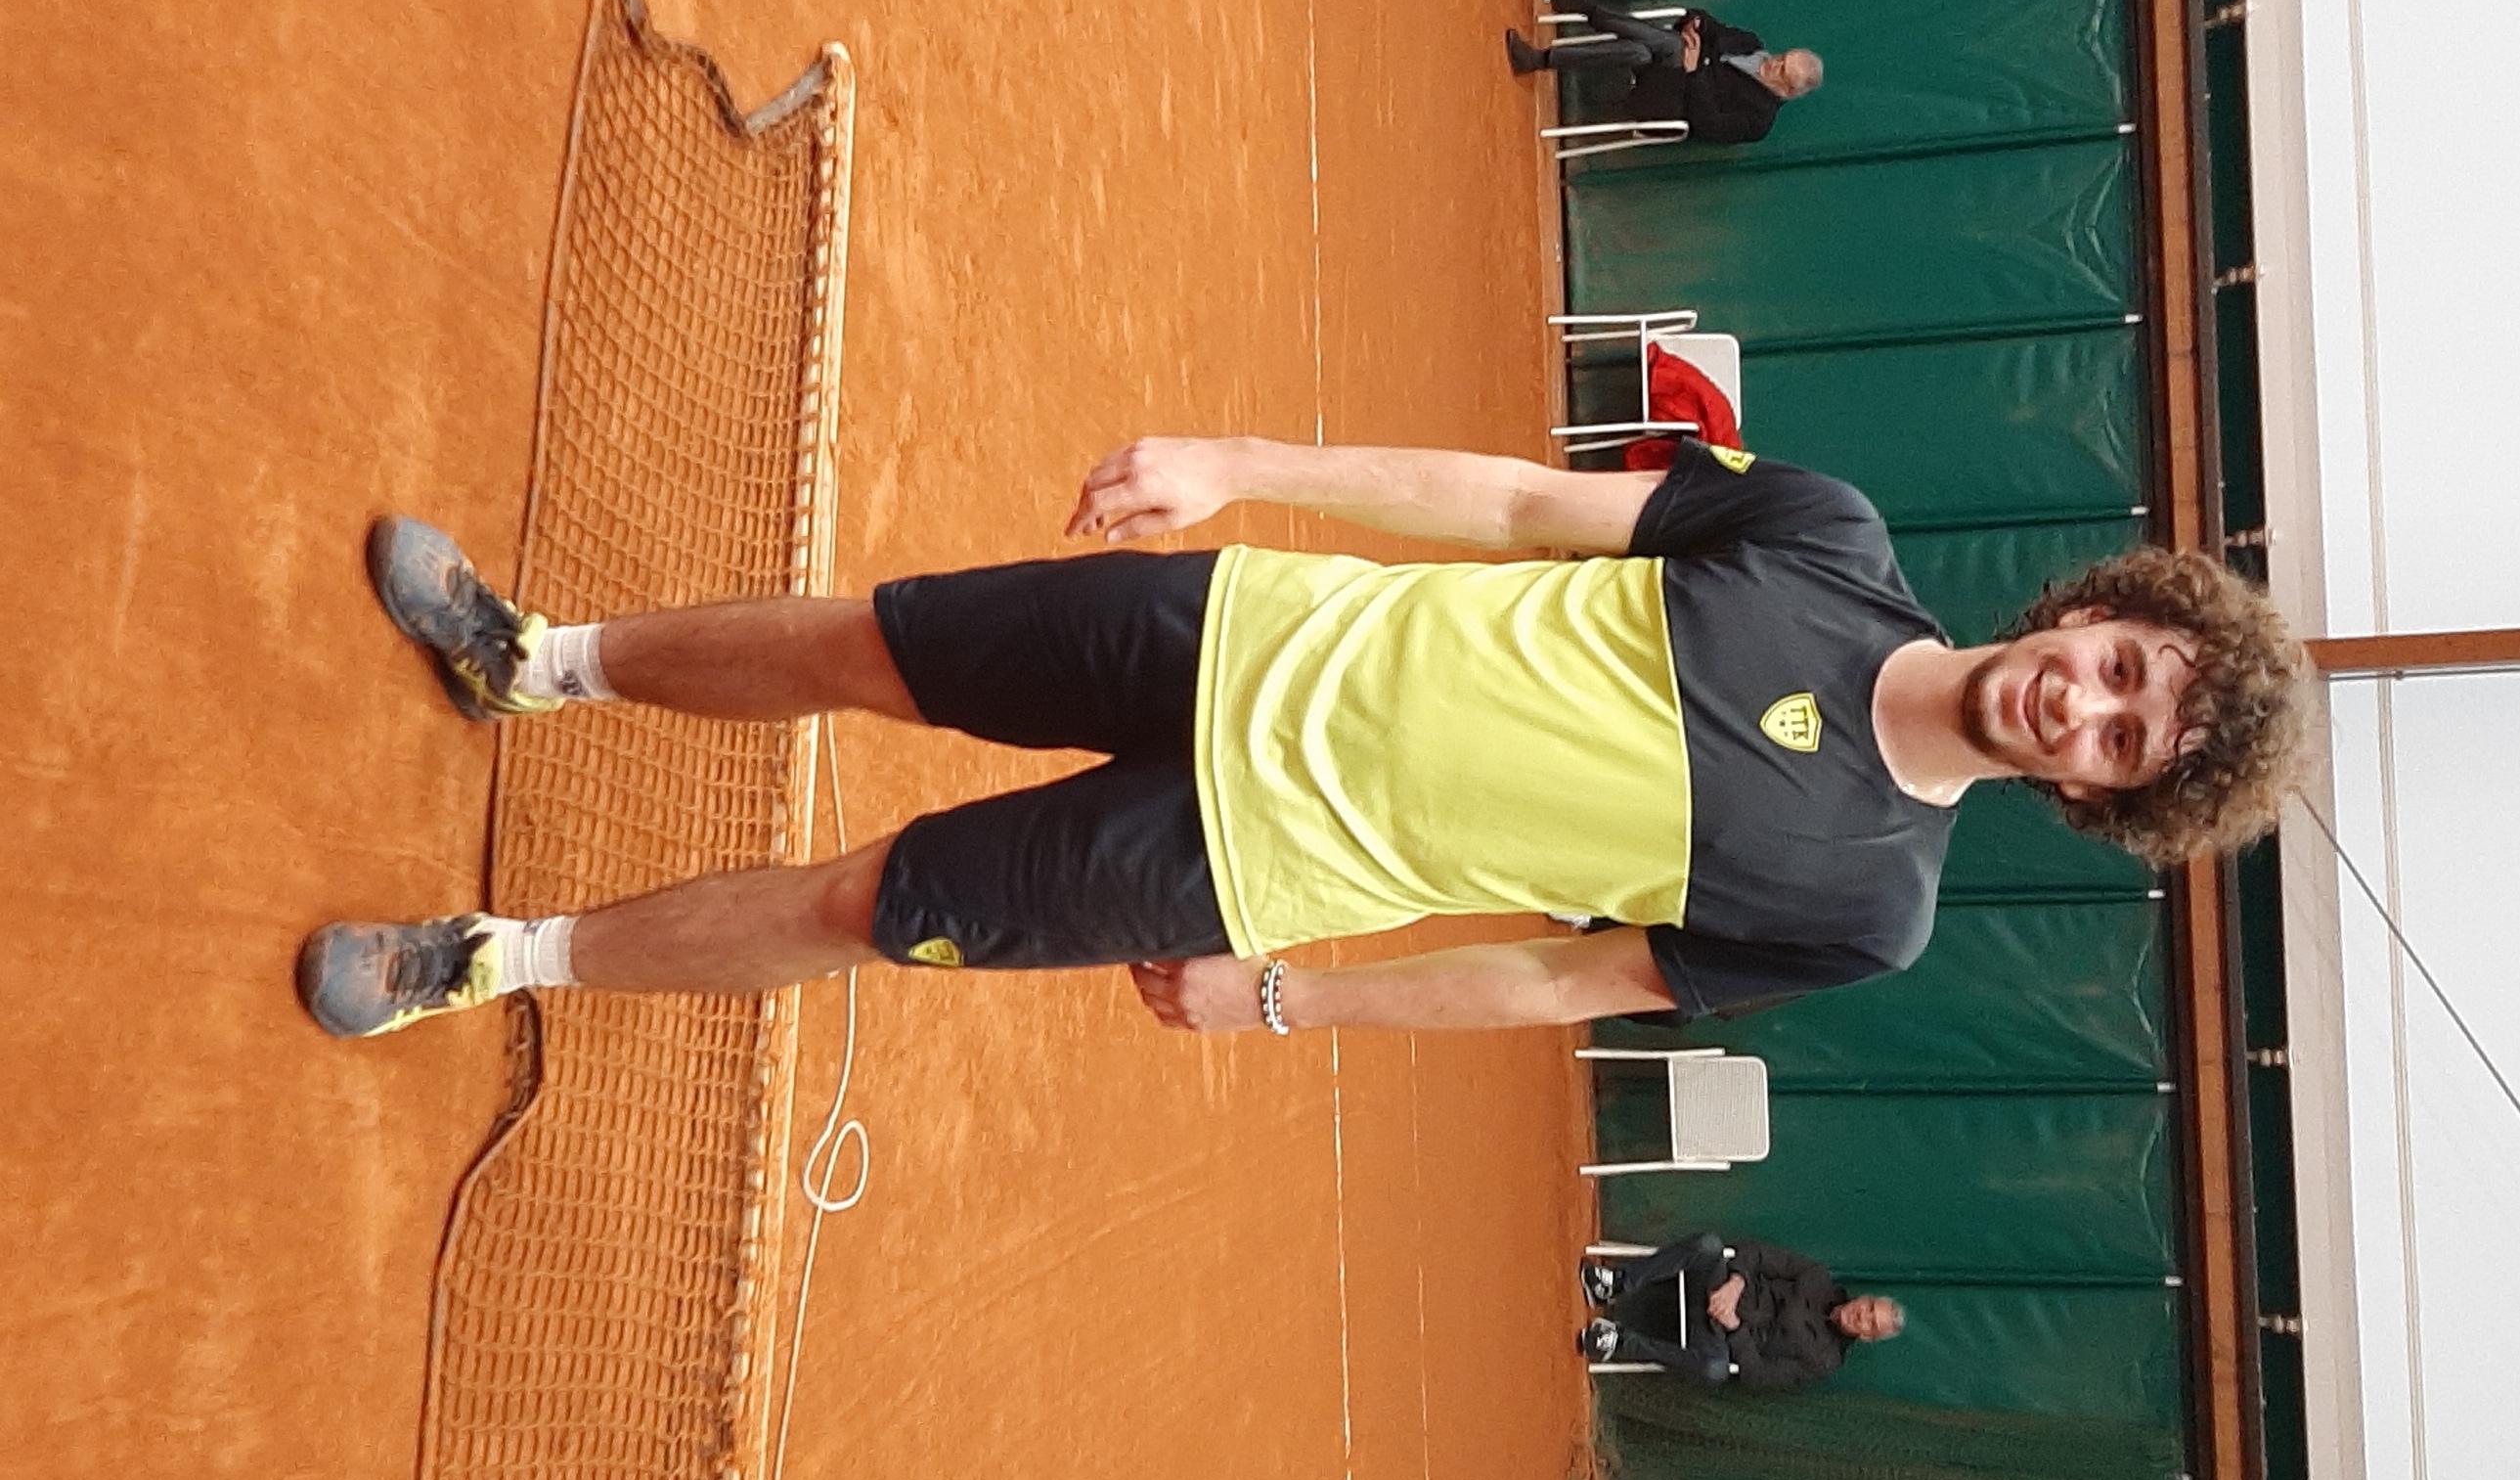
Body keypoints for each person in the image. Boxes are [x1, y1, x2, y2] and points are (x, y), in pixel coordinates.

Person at [296, 431, 2307, 1040]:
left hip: (1244, 863)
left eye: (2125, 741)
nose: (2091, 700)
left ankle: (487, 961)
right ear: (2102, 608)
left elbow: (1561, 977)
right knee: (865, 644)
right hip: (1236, 630)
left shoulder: (1867, 906)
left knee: (862, 901)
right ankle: (531, 656)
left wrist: (1286, 1000)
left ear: (2098, 795)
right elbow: (1514, 506)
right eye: (2125, 663)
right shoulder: (1825, 535)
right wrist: (1240, 460)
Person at [1508, 0, 1821, 148]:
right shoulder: (1751, 44)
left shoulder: (1759, 119)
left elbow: (1708, 124)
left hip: (1668, 105)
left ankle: (1578, 5)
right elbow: (1712, 26)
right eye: (1782, 57)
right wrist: (1696, 24)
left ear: (1789, 90)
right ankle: (1538, 59)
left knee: (1669, 48)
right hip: (1660, 58)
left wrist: (1694, 70)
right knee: (1642, 50)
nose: (1774, 63)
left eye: (1782, 70)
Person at [1577, 1232, 1901, 1386]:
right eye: (1870, 1308)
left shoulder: (1824, 1361)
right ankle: (1614, 1283)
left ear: (1867, 1337)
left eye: (1871, 1324)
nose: (1863, 1316)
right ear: (1865, 1298)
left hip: (1720, 1335)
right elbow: (1756, 1253)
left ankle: (1617, 1341)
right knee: (1708, 1246)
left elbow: (1758, 1374)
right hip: (1719, 1284)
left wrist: (1734, 1326)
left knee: (1714, 1371)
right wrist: (1736, 1283)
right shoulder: (1816, 1275)